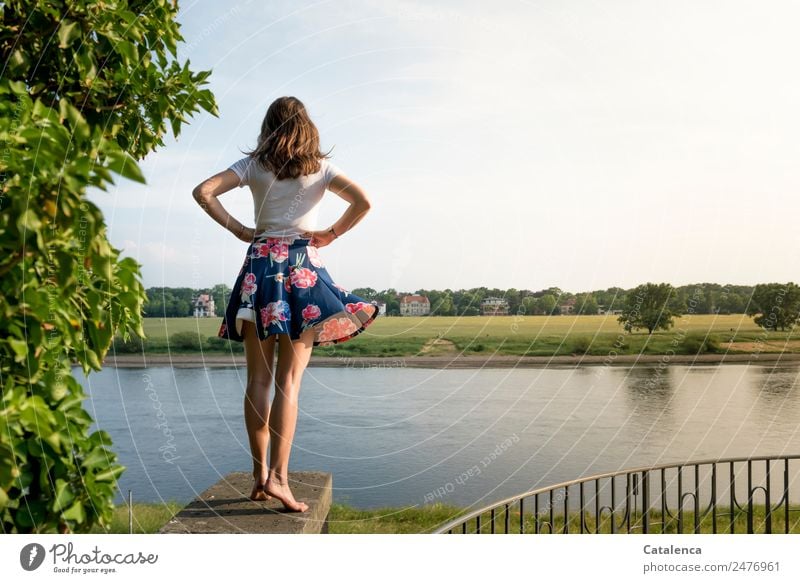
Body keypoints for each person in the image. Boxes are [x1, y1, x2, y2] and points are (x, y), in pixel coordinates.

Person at [192, 96, 379, 512]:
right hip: (302, 271)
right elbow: (364, 203)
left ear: (268, 127)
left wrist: (242, 229)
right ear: (308, 128)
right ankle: (279, 477)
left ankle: (260, 476)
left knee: (257, 381)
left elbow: (203, 192)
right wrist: (331, 233)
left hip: (259, 269)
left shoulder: (252, 166)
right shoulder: (322, 169)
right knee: (288, 384)